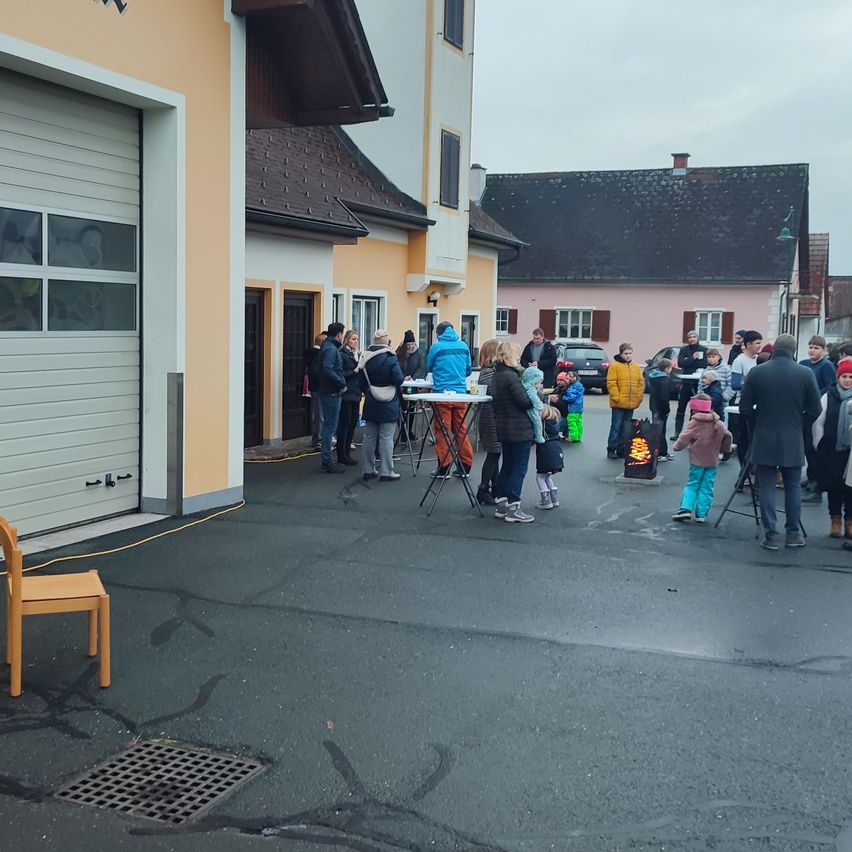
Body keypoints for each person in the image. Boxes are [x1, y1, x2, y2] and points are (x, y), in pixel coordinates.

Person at [739, 334, 822, 550]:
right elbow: (815, 409)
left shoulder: (757, 372)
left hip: (764, 435)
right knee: (792, 487)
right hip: (793, 436)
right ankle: (793, 533)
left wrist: (759, 422)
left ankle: (771, 535)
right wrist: (800, 424)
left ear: (775, 349)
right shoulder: (805, 373)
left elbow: (745, 409)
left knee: (766, 486)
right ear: (794, 350)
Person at [491, 341, 535, 523]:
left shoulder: (497, 375)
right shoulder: (511, 376)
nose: (519, 358)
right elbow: (525, 402)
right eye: (516, 355)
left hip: (503, 426)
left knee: (507, 465)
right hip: (519, 428)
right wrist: (536, 394)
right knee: (519, 468)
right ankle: (514, 507)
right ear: (509, 356)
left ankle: (501, 504)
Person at [671, 394, 732, 523]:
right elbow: (728, 435)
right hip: (713, 461)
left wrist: (676, 447)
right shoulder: (718, 423)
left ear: (694, 408)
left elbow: (684, 438)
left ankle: (685, 509)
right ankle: (701, 514)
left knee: (693, 484)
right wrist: (726, 449)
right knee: (707, 486)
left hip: (697, 460)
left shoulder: (695, 422)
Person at [426, 321, 474, 478]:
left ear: (438, 334)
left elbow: (429, 367)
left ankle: (443, 466)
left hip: (442, 394)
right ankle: (465, 465)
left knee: (442, 431)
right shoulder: (464, 346)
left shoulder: (436, 347)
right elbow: (468, 370)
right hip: (460, 394)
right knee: (460, 429)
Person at [811, 359, 852, 538]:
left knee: (850, 489)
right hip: (831, 450)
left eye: (851, 377)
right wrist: (819, 442)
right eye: (844, 376)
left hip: (851, 453)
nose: (848, 380)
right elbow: (819, 421)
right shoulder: (829, 395)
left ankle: (850, 521)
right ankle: (835, 520)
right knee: (834, 487)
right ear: (838, 377)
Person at [357, 329, 404, 482]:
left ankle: (368, 470)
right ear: (386, 342)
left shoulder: (365, 357)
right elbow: (398, 379)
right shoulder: (391, 358)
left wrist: (370, 390)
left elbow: (360, 383)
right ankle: (387, 471)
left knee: (369, 437)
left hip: (371, 400)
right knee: (386, 437)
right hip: (389, 401)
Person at [801, 335, 836, 504]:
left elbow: (829, 386)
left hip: (818, 409)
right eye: (811, 347)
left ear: (823, 350)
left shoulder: (826, 366)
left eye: (816, 348)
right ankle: (810, 476)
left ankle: (816, 481)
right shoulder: (804, 364)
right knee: (807, 445)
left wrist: (812, 395)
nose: (812, 350)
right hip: (803, 409)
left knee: (815, 446)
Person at [729, 330, 764, 467]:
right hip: (742, 403)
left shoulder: (759, 359)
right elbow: (735, 384)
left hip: (758, 404)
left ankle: (753, 469)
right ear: (749, 344)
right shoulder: (739, 361)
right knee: (744, 439)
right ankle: (744, 470)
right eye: (757, 343)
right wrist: (752, 386)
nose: (760, 346)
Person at [605, 342, 644, 459]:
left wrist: (639, 397)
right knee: (616, 426)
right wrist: (617, 397)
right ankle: (612, 449)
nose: (628, 356)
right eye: (626, 353)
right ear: (621, 354)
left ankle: (622, 449)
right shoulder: (615, 366)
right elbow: (611, 383)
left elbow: (640, 384)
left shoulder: (636, 367)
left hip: (631, 403)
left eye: (630, 353)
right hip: (618, 403)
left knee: (626, 427)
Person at [318, 322, 346, 473]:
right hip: (332, 392)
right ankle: (327, 461)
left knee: (329, 426)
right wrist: (341, 383)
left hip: (329, 391)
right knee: (330, 427)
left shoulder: (327, 346)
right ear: (339, 334)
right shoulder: (331, 349)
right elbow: (328, 370)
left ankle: (327, 460)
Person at [475, 339, 501, 505]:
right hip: (491, 416)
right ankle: (483, 489)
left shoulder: (487, 371)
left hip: (490, 415)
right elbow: (494, 393)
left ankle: (495, 488)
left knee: (495, 453)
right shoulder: (490, 373)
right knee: (494, 453)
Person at [674, 330, 708, 437]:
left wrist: (688, 362)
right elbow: (681, 363)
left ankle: (690, 433)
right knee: (681, 408)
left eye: (694, 337)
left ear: (697, 338)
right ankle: (677, 432)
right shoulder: (684, 349)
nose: (692, 339)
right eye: (690, 337)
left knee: (695, 409)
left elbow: (703, 363)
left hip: (697, 383)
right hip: (685, 381)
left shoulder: (703, 349)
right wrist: (693, 358)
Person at [335, 330, 361, 467]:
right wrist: (354, 371)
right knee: (344, 424)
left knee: (352, 423)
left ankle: (347, 452)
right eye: (353, 339)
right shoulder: (342, 354)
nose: (355, 342)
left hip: (356, 393)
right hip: (346, 393)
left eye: (357, 339)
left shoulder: (357, 355)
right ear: (346, 340)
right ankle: (341, 454)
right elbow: (341, 373)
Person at [396, 330, 426, 442]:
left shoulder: (418, 353)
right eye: (408, 345)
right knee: (402, 408)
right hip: (402, 384)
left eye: (412, 344)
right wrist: (402, 377)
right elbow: (396, 366)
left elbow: (421, 367)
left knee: (411, 408)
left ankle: (408, 430)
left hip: (413, 384)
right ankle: (403, 431)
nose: (410, 346)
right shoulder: (399, 352)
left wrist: (413, 378)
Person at [534, 405, 564, 510]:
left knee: (540, 477)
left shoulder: (542, 427)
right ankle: (554, 499)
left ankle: (546, 500)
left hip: (545, 454)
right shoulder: (555, 427)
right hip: (557, 453)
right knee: (547, 476)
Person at [648, 357, 673, 461]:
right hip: (661, 409)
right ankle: (660, 453)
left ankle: (663, 451)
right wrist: (667, 410)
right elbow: (664, 398)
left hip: (654, 407)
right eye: (671, 368)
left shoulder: (653, 377)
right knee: (660, 431)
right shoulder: (664, 380)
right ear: (667, 368)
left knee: (659, 430)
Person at [305, 331, 327, 450]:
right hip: (318, 387)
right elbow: (316, 372)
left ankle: (319, 438)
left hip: (317, 387)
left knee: (320, 414)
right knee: (320, 415)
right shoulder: (317, 355)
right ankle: (317, 440)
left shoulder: (313, 354)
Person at [521, 366, 546, 444]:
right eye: (539, 383)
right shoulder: (530, 388)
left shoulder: (524, 386)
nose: (539, 385)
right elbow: (533, 397)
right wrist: (540, 406)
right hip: (531, 408)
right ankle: (539, 436)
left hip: (529, 407)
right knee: (537, 421)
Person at [561, 371, 585, 442]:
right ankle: (578, 436)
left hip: (573, 407)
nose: (569, 379)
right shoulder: (579, 385)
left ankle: (574, 437)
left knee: (572, 421)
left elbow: (571, 397)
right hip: (579, 407)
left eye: (570, 377)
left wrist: (564, 398)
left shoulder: (573, 387)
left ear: (575, 377)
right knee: (578, 422)